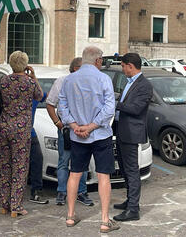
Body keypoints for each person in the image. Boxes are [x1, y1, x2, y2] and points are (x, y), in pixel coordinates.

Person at [58, 46, 119, 233]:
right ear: (98, 60)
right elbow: (110, 108)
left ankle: (70, 215)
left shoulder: (69, 79)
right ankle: (104, 220)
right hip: (100, 134)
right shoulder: (103, 79)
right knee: (103, 176)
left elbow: (62, 106)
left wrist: (75, 126)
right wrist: (92, 126)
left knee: (75, 173)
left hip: (78, 136)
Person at [0, 50, 43, 217]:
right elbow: (39, 96)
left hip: (3, 127)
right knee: (20, 166)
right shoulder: (29, 83)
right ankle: (16, 206)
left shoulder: (2, 80)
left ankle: (4, 204)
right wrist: (33, 76)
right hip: (21, 129)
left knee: (4, 164)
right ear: (25, 65)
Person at [46, 57, 93, 206]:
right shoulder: (61, 82)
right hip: (66, 129)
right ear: (75, 69)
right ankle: (62, 192)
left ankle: (81, 192)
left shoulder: (88, 83)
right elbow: (50, 104)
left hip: (83, 129)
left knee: (82, 162)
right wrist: (58, 123)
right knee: (64, 161)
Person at [113, 53, 152, 222]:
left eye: (123, 66)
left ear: (130, 65)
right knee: (124, 169)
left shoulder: (144, 85)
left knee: (132, 171)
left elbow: (136, 109)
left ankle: (133, 209)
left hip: (131, 132)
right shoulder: (130, 83)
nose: (122, 69)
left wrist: (115, 103)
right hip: (122, 131)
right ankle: (130, 201)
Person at [28, 92, 48, 204]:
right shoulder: (14, 91)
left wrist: (33, 77)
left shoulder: (34, 94)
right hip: (16, 134)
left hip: (30, 133)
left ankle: (36, 191)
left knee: (37, 158)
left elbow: (45, 95)